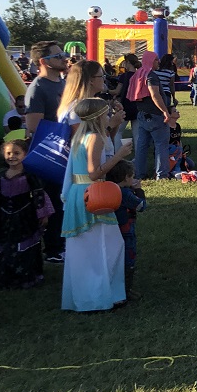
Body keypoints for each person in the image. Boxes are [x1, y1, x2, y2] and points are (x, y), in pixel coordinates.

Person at [61, 98, 131, 312]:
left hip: (78, 192)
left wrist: (114, 126)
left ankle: (87, 296)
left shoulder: (79, 136)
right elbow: (94, 172)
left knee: (84, 247)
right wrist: (120, 155)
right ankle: (101, 296)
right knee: (107, 245)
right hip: (93, 194)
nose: (108, 117)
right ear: (99, 116)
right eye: (106, 114)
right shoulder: (94, 138)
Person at [24, 40, 69, 264]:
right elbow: (33, 126)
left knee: (64, 199)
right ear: (44, 62)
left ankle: (61, 242)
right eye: (58, 56)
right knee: (53, 201)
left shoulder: (62, 83)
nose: (64, 58)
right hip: (49, 154)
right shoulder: (38, 88)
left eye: (63, 54)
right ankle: (52, 249)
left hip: (65, 150)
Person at [0, 139, 54, 288]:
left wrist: (42, 215)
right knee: (4, 244)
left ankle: (26, 275)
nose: (12, 156)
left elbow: (39, 195)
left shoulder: (30, 176)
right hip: (3, 217)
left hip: (24, 217)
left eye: (17, 153)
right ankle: (3, 274)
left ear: (25, 154)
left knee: (24, 245)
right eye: (9, 153)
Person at [128, 51, 174, 181]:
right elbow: (155, 94)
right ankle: (162, 174)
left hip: (142, 114)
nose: (158, 62)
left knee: (142, 146)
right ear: (149, 61)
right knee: (161, 145)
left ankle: (139, 173)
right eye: (156, 60)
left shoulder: (138, 74)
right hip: (155, 115)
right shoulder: (151, 75)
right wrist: (165, 111)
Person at [105, 159, 146, 300]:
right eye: (132, 176)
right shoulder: (125, 194)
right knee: (129, 258)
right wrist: (139, 190)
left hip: (113, 229)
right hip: (127, 229)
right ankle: (126, 290)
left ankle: (122, 288)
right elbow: (141, 206)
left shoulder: (109, 189)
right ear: (126, 177)